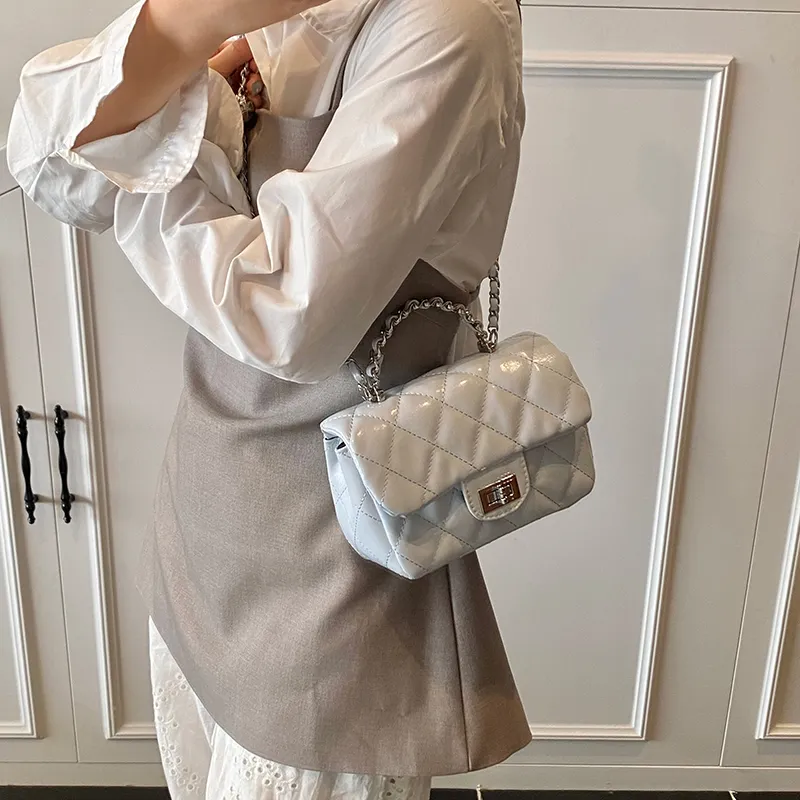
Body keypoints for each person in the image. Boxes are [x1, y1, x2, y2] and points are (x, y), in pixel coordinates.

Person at [6, 0, 531, 797]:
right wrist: (184, 29)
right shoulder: (281, 15)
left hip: (336, 578)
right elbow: (50, 162)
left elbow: (287, 316)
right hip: (204, 522)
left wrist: (155, 154)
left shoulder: (446, 27)